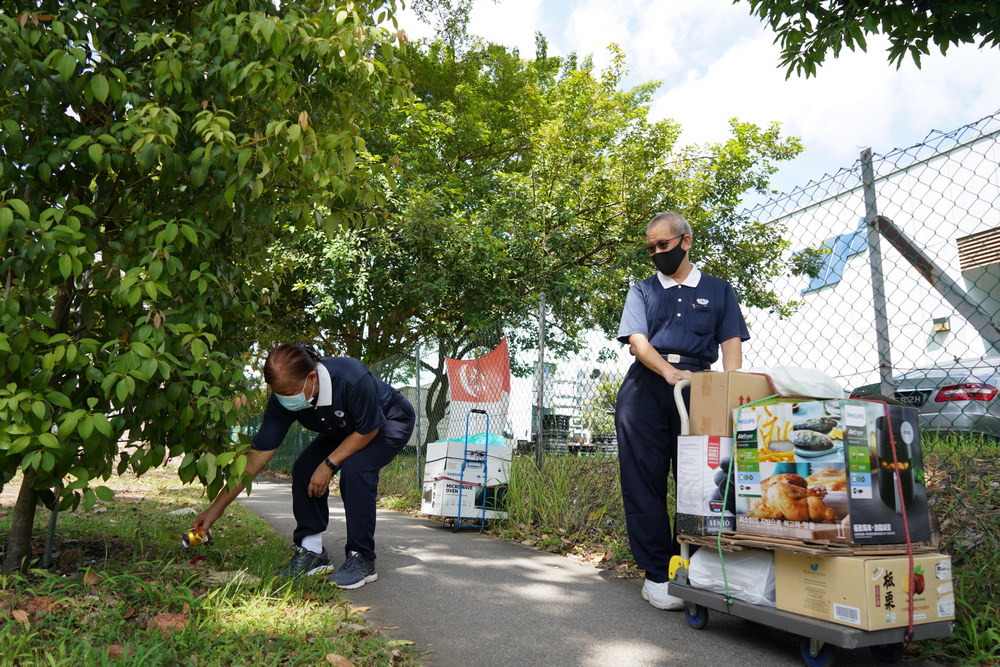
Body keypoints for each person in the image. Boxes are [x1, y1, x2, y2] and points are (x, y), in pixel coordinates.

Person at [193, 343, 415, 589]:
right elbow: (257, 456)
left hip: (386, 421)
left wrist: (329, 465)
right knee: (304, 469)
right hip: (344, 428)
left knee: (356, 470)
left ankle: (361, 558)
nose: (284, 399)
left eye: (288, 393)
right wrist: (216, 509)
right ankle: (312, 554)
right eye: (278, 393)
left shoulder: (351, 376)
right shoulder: (283, 398)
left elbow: (368, 429)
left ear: (311, 377)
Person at [615, 211, 749, 610]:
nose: (656, 253)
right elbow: (638, 341)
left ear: (685, 241)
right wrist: (667, 371)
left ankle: (695, 564)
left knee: (701, 482)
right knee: (645, 480)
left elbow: (730, 345)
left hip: (700, 388)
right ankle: (657, 572)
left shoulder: (719, 290)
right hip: (647, 387)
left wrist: (731, 388)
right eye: (651, 248)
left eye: (664, 245)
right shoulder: (641, 291)